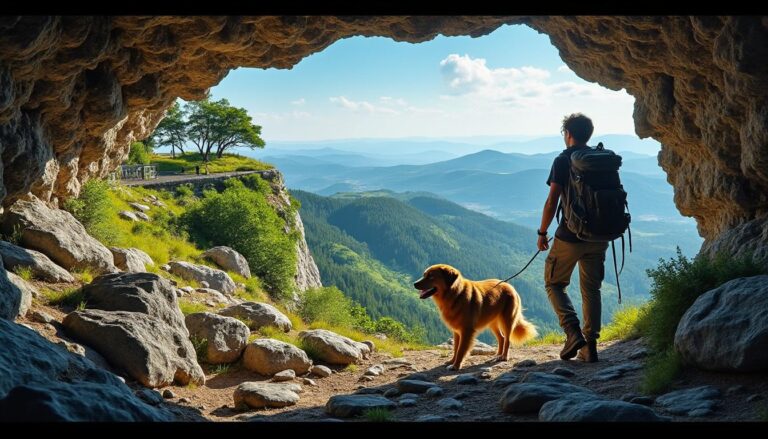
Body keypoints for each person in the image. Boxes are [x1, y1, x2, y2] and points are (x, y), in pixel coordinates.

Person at [537, 113, 608, 363]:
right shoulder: (600, 159)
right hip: (600, 234)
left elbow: (551, 201)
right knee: (592, 289)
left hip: (570, 236)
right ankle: (590, 347)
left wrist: (542, 232)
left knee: (554, 283)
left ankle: (572, 333)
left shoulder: (563, 160)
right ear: (588, 134)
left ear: (567, 134)